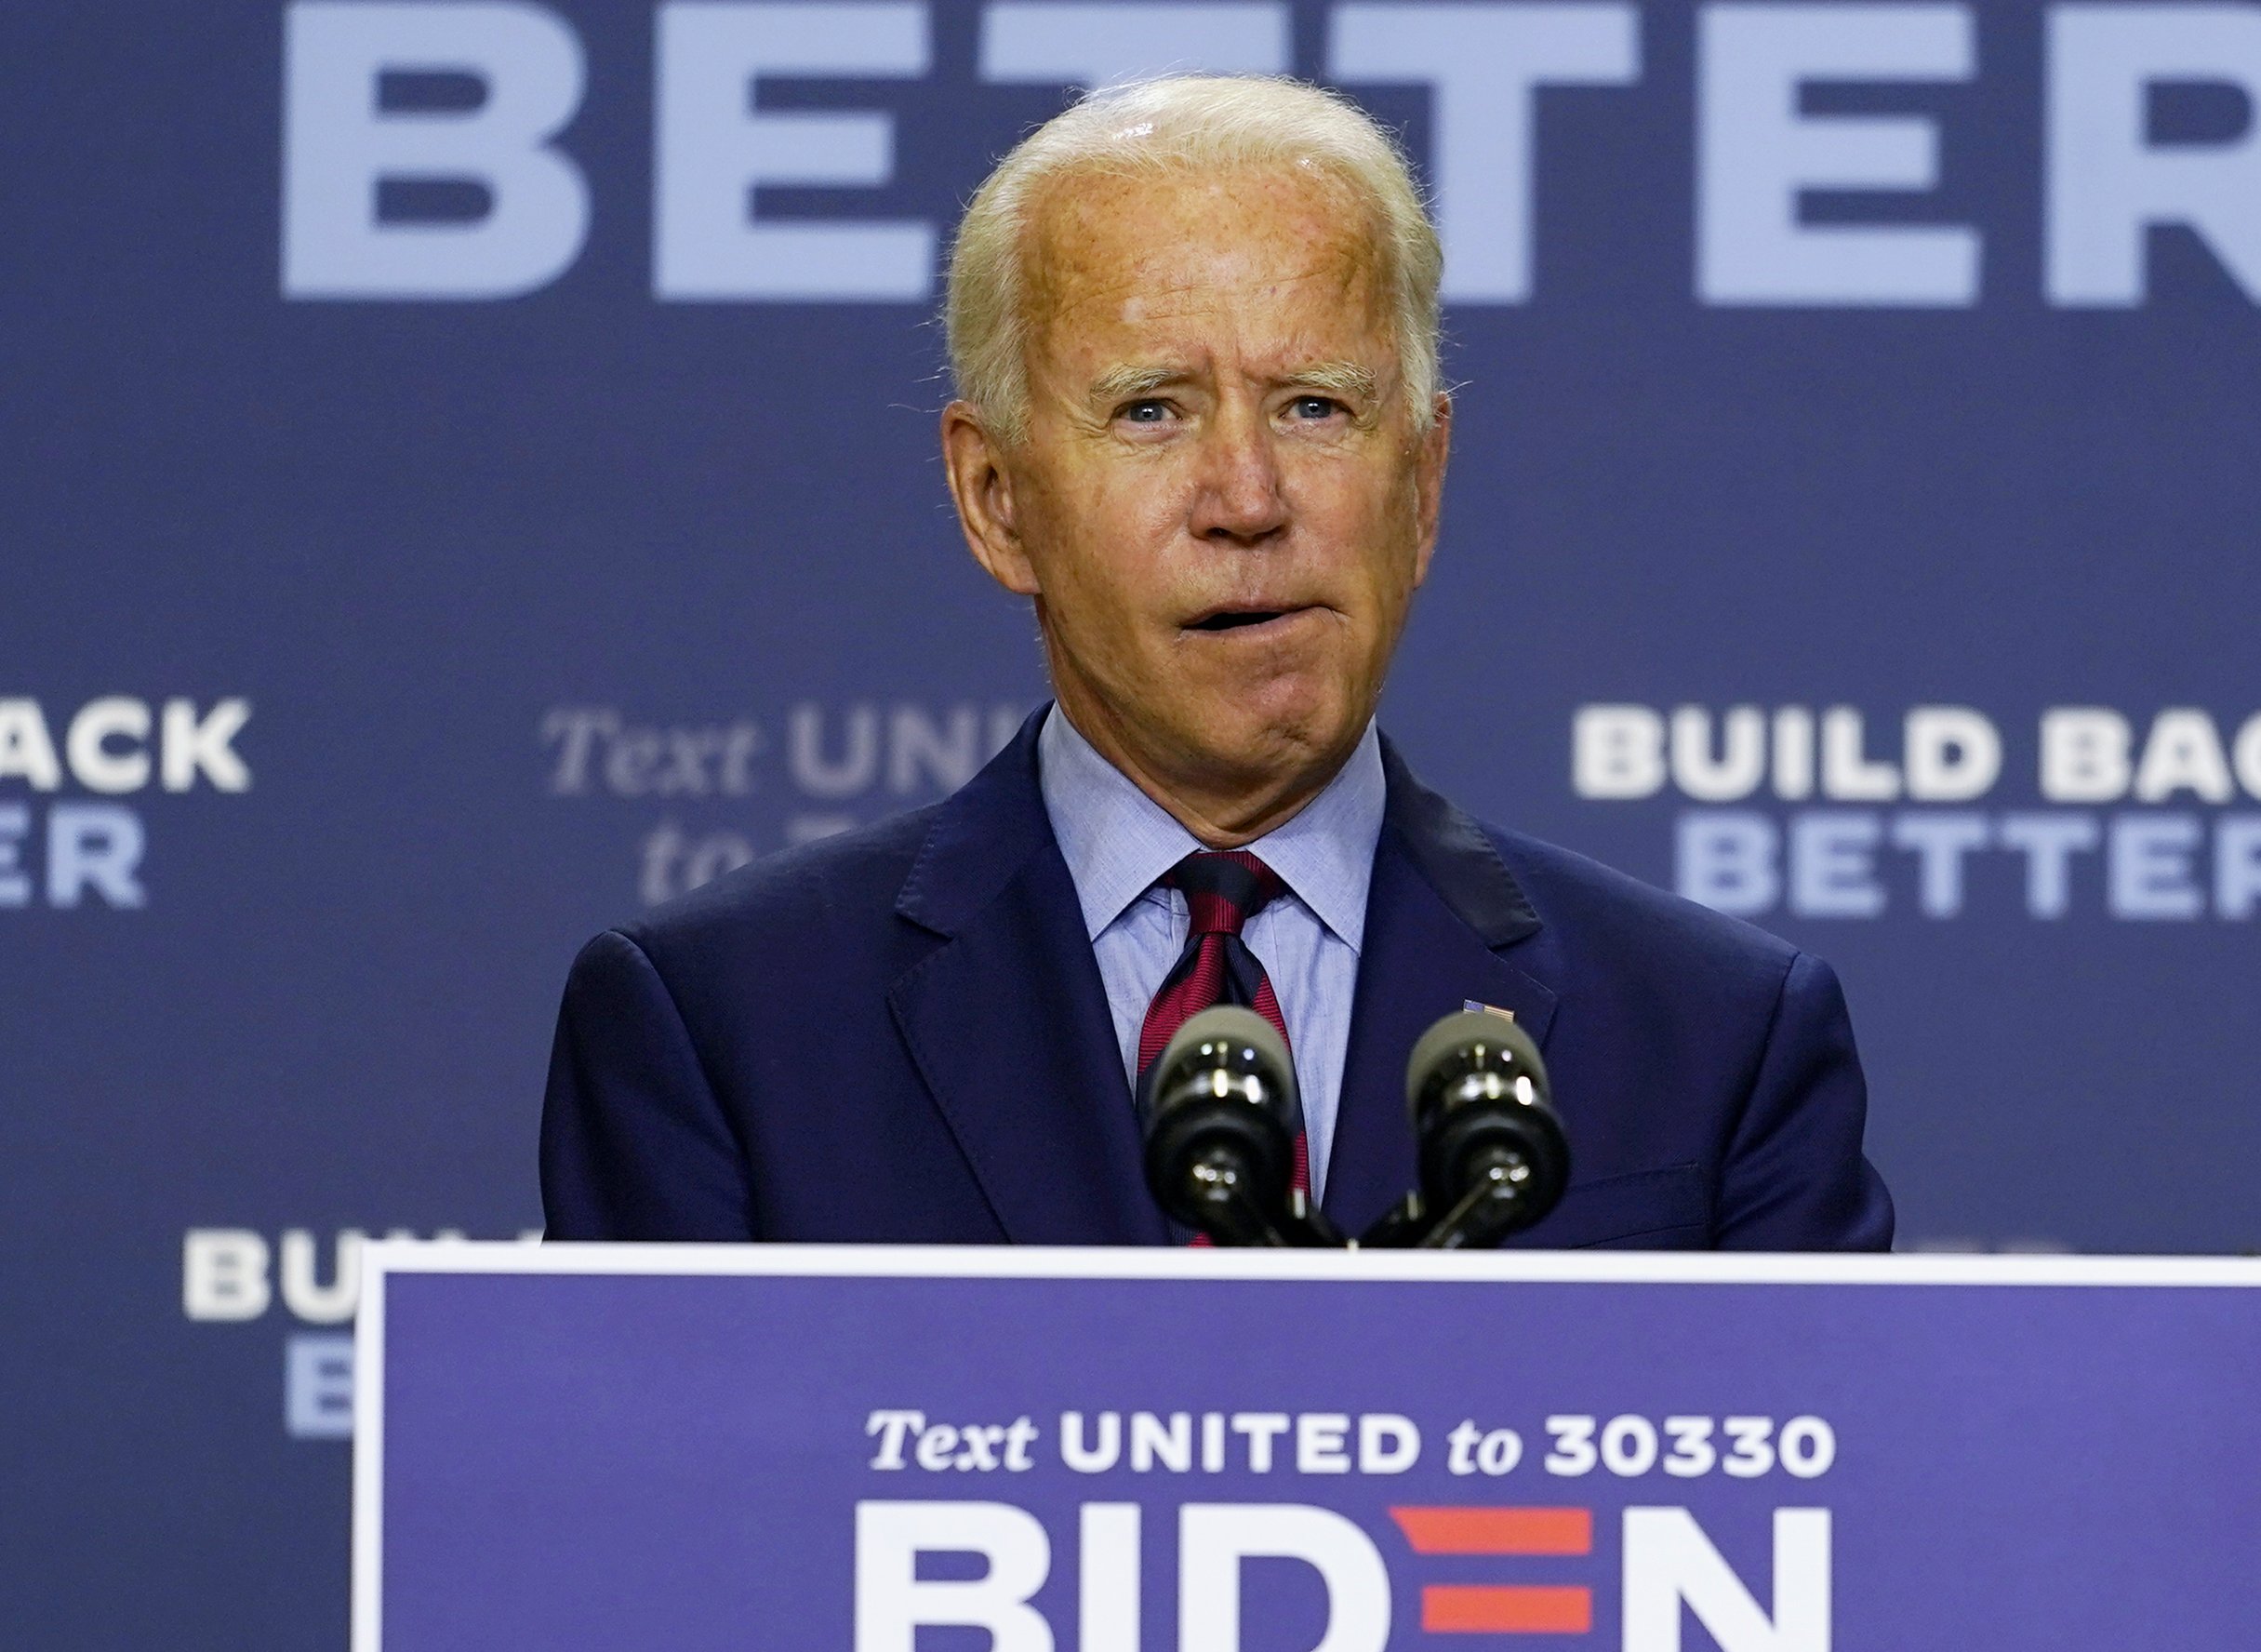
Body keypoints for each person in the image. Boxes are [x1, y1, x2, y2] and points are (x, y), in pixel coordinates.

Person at [541, 75, 1894, 1250]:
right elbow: (647, 1531)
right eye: (1151, 411)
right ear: (997, 498)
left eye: (1315, 406)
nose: (1246, 496)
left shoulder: (1713, 1042)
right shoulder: (726, 1032)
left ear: (1421, 486)